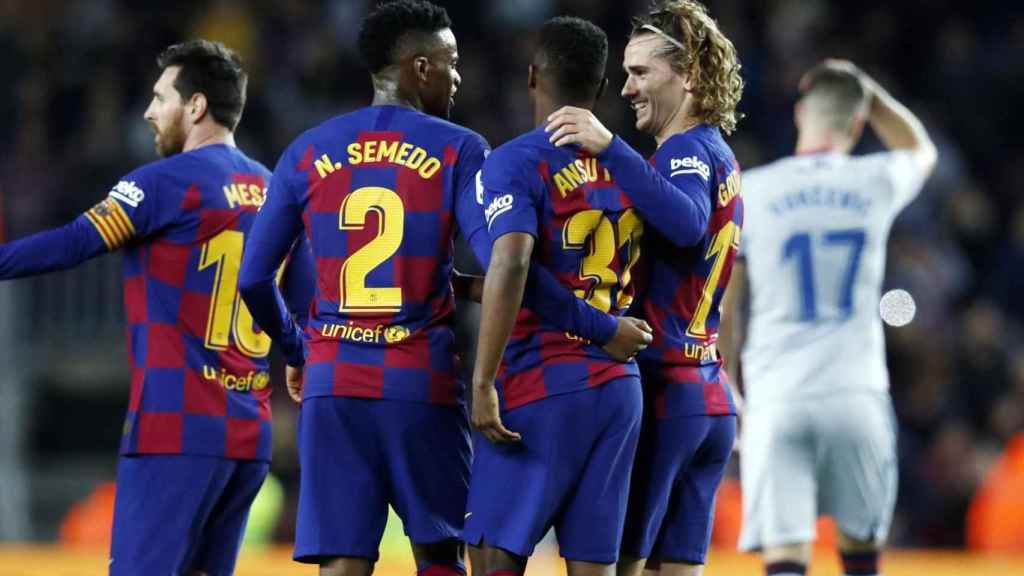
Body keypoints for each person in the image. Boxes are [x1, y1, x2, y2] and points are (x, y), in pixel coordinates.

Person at [237, 3, 650, 575]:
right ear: (420, 68)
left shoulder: (306, 150)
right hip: (418, 382)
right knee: (440, 554)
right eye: (451, 64)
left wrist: (295, 350)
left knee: (342, 560)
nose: (460, 77)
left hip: (333, 384)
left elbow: (254, 278)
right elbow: (513, 264)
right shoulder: (459, 148)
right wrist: (601, 328)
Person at [0, 40, 313, 575]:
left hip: (175, 429)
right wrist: (298, 357)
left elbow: (75, 242)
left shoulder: (165, 183)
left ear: (194, 107)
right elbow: (303, 301)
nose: (147, 111)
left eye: (159, 97)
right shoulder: (276, 190)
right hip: (247, 436)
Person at [543, 2, 744, 574]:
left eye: (641, 73)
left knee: (617, 566)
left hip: (665, 389)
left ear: (689, 75)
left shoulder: (682, 153)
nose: (627, 89)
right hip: (708, 395)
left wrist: (610, 147)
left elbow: (684, 222)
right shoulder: (719, 153)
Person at [718, 60, 937, 576]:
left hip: (778, 395)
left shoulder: (753, 189)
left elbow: (728, 304)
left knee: (787, 558)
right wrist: (870, 92)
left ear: (800, 114)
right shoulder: (875, 178)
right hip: (856, 392)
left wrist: (728, 381)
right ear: (858, 126)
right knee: (861, 557)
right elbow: (921, 149)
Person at [465, 16, 648, 576]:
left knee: (492, 554)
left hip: (543, 382)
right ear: (599, 86)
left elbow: (515, 261)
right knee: (593, 566)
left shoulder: (515, 160)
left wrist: (481, 381)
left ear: (531, 76)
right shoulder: (630, 167)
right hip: (619, 389)